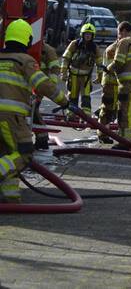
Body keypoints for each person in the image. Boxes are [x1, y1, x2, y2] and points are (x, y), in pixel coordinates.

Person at [0, 19, 67, 202]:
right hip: (11, 117)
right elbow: (42, 85)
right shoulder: (25, 61)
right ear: (26, 39)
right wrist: (63, 101)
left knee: (7, 153)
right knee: (24, 153)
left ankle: (10, 196)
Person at [104, 22, 131, 143]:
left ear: (123, 31)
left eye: (119, 33)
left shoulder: (124, 42)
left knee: (124, 112)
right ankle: (127, 137)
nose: (118, 37)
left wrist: (108, 69)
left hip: (127, 83)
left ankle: (126, 140)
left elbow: (119, 62)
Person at [61, 23, 100, 114]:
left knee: (86, 96)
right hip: (73, 76)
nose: (87, 36)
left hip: (86, 77)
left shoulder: (95, 48)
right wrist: (63, 73)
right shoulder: (74, 44)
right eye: (86, 34)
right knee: (72, 96)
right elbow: (66, 58)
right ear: (82, 34)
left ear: (93, 36)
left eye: (90, 34)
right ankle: (71, 114)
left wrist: (100, 76)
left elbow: (99, 64)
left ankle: (86, 116)